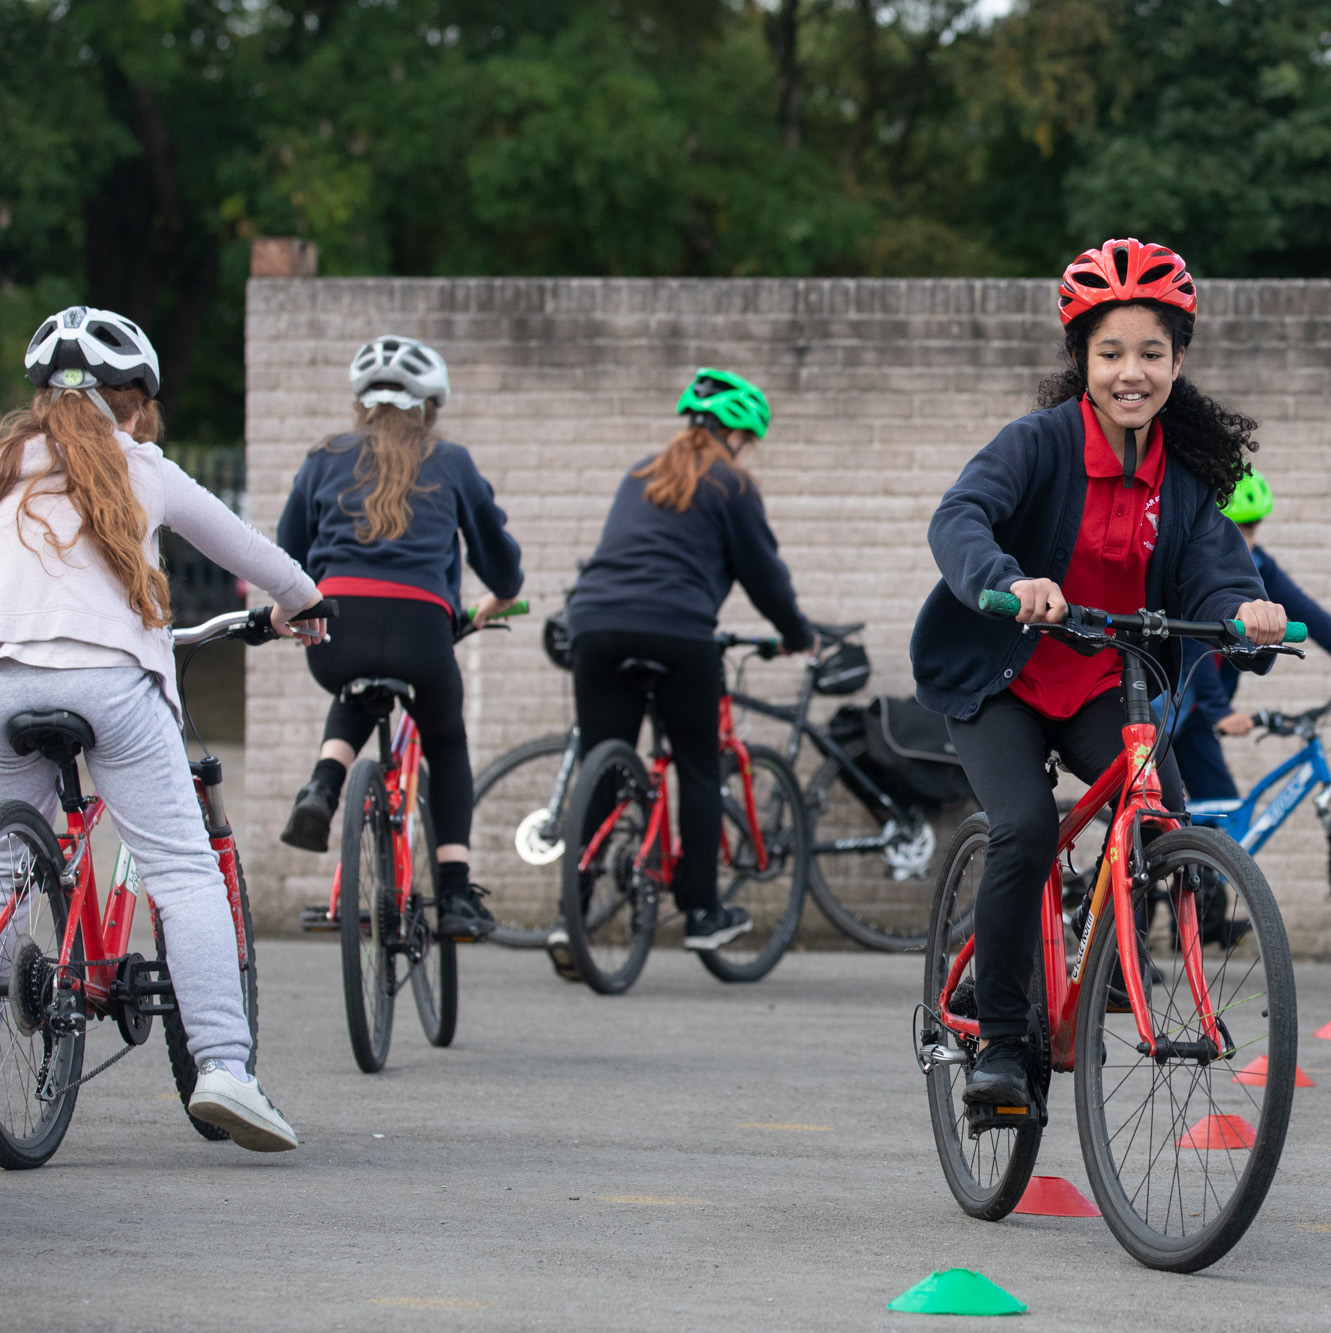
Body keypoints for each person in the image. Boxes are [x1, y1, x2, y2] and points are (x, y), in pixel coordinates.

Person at [911, 238, 1287, 1112]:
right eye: (1111, 351)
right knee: (1027, 828)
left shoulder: (1185, 481)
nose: (1131, 371)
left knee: (1165, 820)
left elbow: (1218, 573)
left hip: (1102, 683)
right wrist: (1007, 582)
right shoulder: (1036, 445)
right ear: (1081, 357)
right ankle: (1003, 1043)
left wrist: (1249, 613)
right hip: (1000, 678)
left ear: (1179, 361)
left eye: (1151, 352)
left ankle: (1112, 950)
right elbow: (961, 516)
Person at [0, 306, 320, 1151]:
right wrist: (305, 605)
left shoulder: (6, 465)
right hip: (113, 685)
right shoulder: (145, 467)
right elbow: (256, 556)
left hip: (4, 679)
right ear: (133, 405)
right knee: (182, 871)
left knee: (2, 867)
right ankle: (223, 1068)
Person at [276, 336, 524, 943]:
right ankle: (458, 894)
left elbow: (285, 555)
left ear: (361, 402)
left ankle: (323, 785)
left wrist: (292, 609)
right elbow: (503, 569)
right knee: (447, 741)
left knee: (357, 687)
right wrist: (492, 602)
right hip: (422, 629)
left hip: (337, 628)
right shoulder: (453, 462)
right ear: (429, 407)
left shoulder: (323, 458)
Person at [558, 369, 814, 953]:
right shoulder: (733, 485)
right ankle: (701, 912)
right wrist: (798, 634)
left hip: (594, 626)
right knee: (699, 764)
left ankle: (571, 913)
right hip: (677, 632)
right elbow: (765, 577)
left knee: (606, 764)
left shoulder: (639, 474)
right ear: (738, 436)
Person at [1169, 470, 1331, 801]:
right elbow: (1190, 646)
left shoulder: (1258, 564)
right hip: (1167, 708)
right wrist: (1220, 711)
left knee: (1223, 813)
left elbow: (1306, 612)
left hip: (1198, 714)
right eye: (1234, 528)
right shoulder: (1188, 567)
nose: (1245, 541)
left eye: (1252, 527)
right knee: (1153, 808)